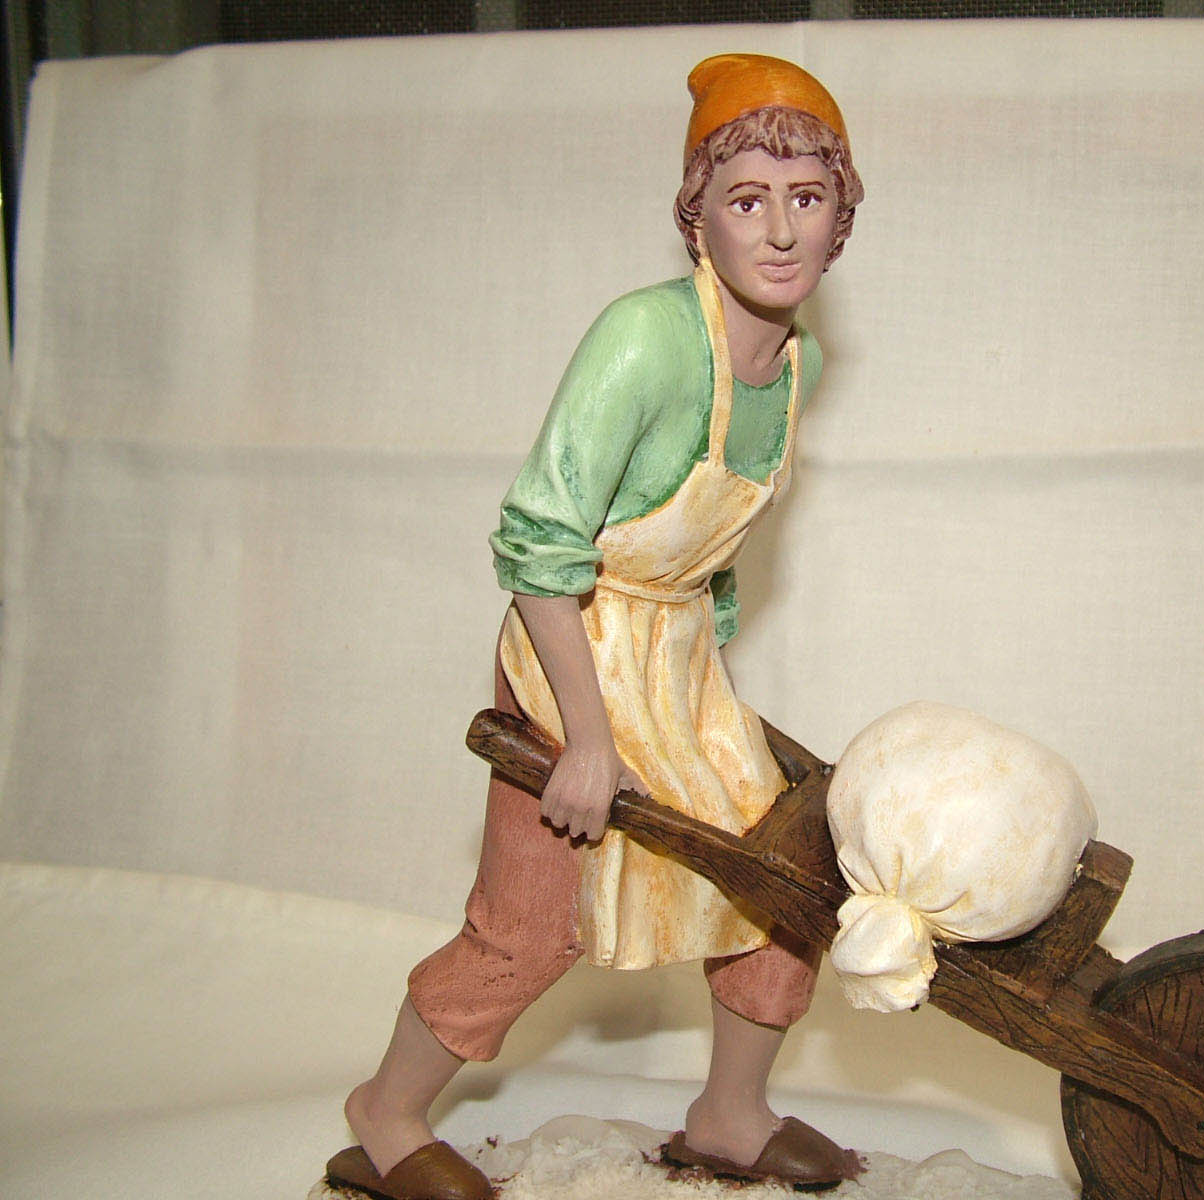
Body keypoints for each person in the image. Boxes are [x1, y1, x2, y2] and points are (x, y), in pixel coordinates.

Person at [326, 53, 865, 1200]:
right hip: (568, 647)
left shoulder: (799, 364)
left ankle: (729, 1117)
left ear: (841, 217)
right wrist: (584, 736)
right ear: (697, 219)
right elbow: (537, 548)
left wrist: (700, 681)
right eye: (746, 200)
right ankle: (385, 1113)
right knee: (529, 929)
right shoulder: (644, 340)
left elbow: (712, 550)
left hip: (675, 663)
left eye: (807, 197)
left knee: (785, 891)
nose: (779, 231)